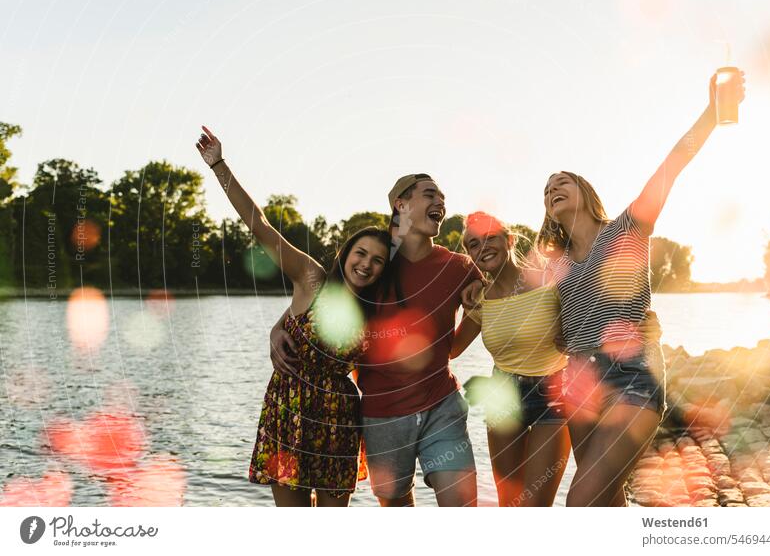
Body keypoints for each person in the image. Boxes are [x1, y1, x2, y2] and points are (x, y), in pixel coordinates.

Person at [536, 70, 746, 506]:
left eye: (563, 181)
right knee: (608, 500)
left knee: (581, 502)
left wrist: (711, 113)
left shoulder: (627, 229)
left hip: (632, 381)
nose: (553, 188)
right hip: (579, 382)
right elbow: (550, 326)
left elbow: (672, 166)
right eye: (546, 190)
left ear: (586, 192)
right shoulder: (553, 266)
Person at [195, 126, 392, 506]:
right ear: (346, 252)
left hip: (339, 420)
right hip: (289, 408)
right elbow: (260, 226)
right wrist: (219, 165)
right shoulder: (312, 278)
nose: (366, 264)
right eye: (361, 253)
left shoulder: (375, 312)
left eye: (378, 261)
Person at [271, 174, 484, 506]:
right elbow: (325, 296)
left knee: (463, 506)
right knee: (396, 506)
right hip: (381, 413)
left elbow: (486, 307)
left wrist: (474, 309)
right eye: (430, 194)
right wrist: (279, 326)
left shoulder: (459, 267)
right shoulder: (374, 261)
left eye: (443, 197)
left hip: (441, 406)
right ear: (401, 204)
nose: (440, 202)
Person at [452, 211, 570, 507]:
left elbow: (584, 322)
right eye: (473, 244)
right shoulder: (479, 298)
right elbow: (449, 350)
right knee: (508, 503)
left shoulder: (550, 282)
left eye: (491, 238)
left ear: (510, 240)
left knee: (534, 505)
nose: (483, 248)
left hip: (555, 397)